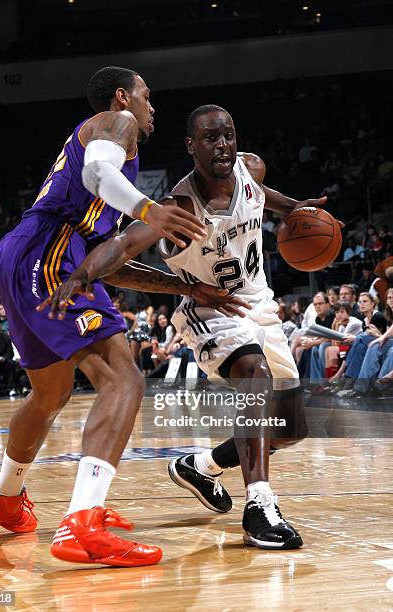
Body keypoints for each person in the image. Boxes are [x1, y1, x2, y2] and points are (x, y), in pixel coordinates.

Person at [0, 68, 242, 568]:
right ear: (123, 97)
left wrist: (185, 286)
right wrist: (148, 211)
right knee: (124, 379)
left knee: (50, 393)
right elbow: (100, 176)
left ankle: (5, 499)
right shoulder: (115, 123)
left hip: (27, 254)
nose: (151, 105)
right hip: (47, 253)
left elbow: (109, 263)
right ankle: (83, 523)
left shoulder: (112, 165)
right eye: (146, 95)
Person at [44, 105, 337, 550]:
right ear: (190, 146)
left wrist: (294, 207)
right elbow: (123, 245)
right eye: (210, 139)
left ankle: (200, 465)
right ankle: (259, 504)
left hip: (259, 302)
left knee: (290, 428)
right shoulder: (180, 207)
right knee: (253, 376)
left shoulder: (250, 168)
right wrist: (83, 274)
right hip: (208, 308)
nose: (222, 145)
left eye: (228, 135)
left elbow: (259, 190)